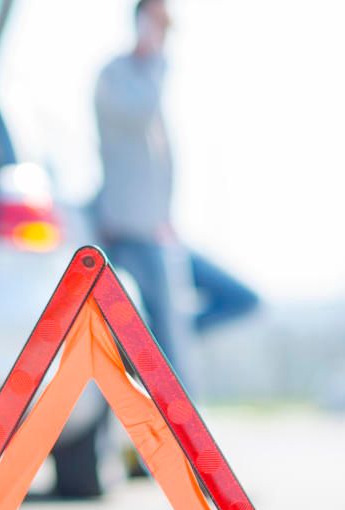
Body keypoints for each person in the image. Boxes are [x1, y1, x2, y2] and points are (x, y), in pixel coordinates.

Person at [93, 0, 258, 381]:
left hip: (162, 234)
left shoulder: (148, 76)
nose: (164, 35)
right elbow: (139, 114)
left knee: (241, 299)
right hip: (131, 233)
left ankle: (149, 343)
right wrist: (154, 55)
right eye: (159, 24)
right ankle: (182, 431)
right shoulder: (116, 75)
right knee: (174, 360)